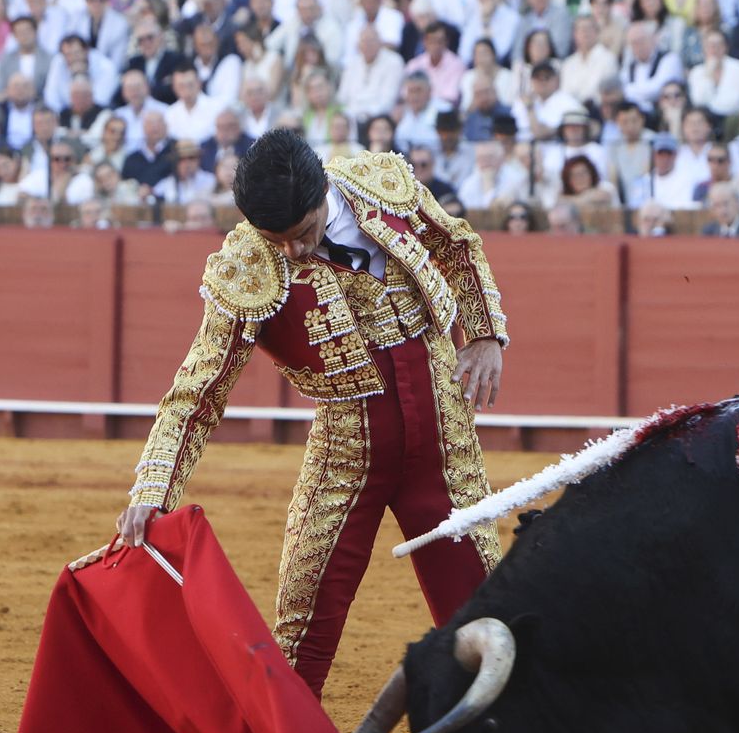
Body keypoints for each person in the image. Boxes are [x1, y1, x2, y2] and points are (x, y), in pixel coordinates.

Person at [76, 130, 509, 702]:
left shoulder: (381, 186)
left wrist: (485, 334)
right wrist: (154, 485)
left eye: (303, 234)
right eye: (275, 241)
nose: (292, 253)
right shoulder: (246, 266)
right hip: (347, 455)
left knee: (486, 619)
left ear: (323, 192)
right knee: (299, 640)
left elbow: (456, 244)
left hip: (444, 445)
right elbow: (199, 388)